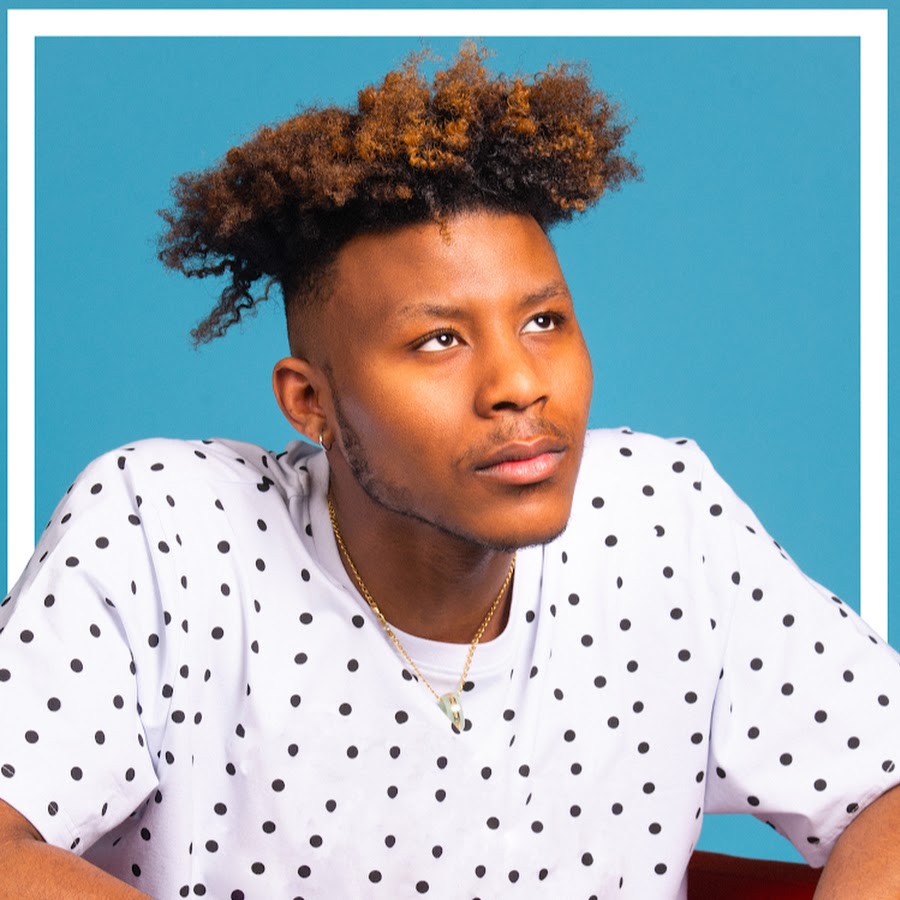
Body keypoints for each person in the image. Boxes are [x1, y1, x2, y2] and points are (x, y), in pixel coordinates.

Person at [0, 43, 898, 899]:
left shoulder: (662, 518)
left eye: (543, 322)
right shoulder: (165, 533)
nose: (518, 384)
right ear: (310, 403)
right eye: (439, 339)